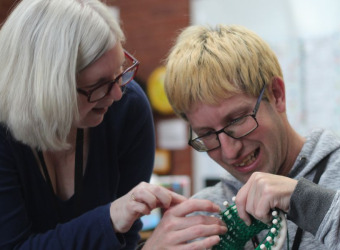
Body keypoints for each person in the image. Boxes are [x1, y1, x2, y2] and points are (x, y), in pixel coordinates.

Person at [0, 1, 227, 249]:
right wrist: (109, 219)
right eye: (98, 85)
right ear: (46, 86)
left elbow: (126, 239)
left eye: (120, 70)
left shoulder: (127, 109)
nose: (118, 94)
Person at [164, 24, 340, 249]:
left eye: (237, 120)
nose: (229, 152)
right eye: (207, 134)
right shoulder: (205, 215)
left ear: (276, 95)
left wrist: (306, 201)